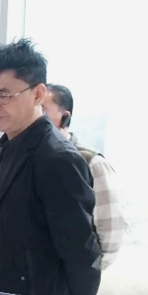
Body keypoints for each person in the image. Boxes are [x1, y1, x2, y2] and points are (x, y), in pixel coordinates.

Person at [0, 39, 100, 295]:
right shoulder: (8, 145)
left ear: (38, 94)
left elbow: (80, 251)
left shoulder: (58, 158)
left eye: (4, 95)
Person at [43, 83, 129, 269]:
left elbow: (111, 230)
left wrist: (86, 274)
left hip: (69, 279)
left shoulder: (91, 162)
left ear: (65, 117)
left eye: (43, 111)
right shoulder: (25, 157)